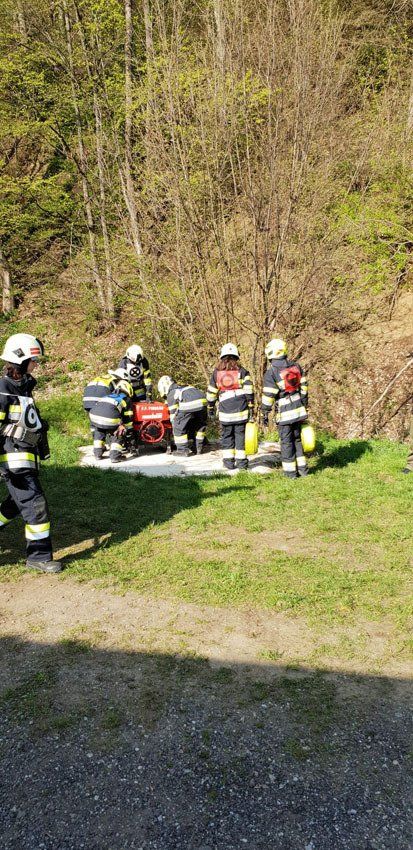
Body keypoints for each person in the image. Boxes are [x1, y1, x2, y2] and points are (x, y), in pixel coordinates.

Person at [0, 333, 61, 573]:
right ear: (20, 359)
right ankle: (39, 557)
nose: (36, 364)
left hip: (24, 459)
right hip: (13, 462)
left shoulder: (23, 388)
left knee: (16, 504)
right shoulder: (3, 390)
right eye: (33, 360)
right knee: (36, 506)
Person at [261, 338, 308, 479]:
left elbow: (269, 395)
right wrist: (304, 404)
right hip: (298, 410)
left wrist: (265, 412)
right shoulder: (296, 366)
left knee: (287, 443)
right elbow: (304, 388)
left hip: (285, 413)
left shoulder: (271, 372)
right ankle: (303, 470)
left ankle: (290, 473)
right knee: (297, 440)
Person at [206, 343, 254, 470]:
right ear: (236, 357)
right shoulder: (242, 371)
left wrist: (210, 407)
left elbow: (211, 393)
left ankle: (228, 463)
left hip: (225, 413)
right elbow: (249, 390)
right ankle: (242, 463)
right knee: (240, 436)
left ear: (222, 357)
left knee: (227, 437)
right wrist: (251, 406)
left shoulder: (217, 373)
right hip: (241, 411)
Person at [88, 370, 134, 462]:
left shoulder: (109, 395)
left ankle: (97, 453)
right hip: (108, 417)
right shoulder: (126, 399)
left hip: (93, 415)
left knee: (100, 430)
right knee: (119, 431)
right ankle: (115, 456)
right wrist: (129, 431)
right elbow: (128, 418)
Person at [158, 375, 207, 457]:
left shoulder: (172, 392)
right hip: (203, 403)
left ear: (164, 387)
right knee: (199, 425)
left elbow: (173, 415)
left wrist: (174, 426)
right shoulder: (184, 387)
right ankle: (199, 448)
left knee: (178, 425)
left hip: (189, 404)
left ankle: (182, 450)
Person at [83, 372, 116, 458]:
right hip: (99, 400)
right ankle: (108, 444)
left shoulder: (98, 379)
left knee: (94, 423)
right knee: (104, 419)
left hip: (87, 401)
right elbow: (116, 395)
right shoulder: (113, 381)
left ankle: (98, 447)